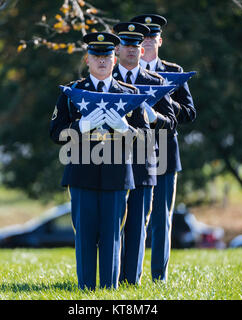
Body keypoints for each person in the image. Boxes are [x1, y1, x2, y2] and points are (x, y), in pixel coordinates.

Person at [49, 32, 148, 290]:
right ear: (87, 59)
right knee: (85, 236)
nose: (102, 61)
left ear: (115, 59)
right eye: (96, 56)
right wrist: (79, 126)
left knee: (112, 236)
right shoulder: (73, 92)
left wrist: (126, 129)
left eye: (107, 56)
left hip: (117, 176)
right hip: (82, 174)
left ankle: (109, 291)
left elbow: (147, 138)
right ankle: (86, 289)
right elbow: (55, 132)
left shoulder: (131, 94)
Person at [130, 14, 196, 282]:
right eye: (141, 38)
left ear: (160, 40)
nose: (146, 43)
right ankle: (129, 274)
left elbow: (190, 112)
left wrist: (164, 103)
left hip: (166, 149)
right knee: (135, 217)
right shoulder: (127, 70)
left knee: (161, 218)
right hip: (135, 149)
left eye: (151, 37)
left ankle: (159, 277)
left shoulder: (174, 71)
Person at [112, 21, 177, 285]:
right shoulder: (106, 78)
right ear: (117, 49)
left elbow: (171, 121)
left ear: (142, 50)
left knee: (139, 221)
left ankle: (132, 279)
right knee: (113, 223)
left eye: (136, 45)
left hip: (142, 159)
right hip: (111, 159)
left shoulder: (156, 82)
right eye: (126, 45)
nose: (131, 50)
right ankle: (111, 277)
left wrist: (155, 117)